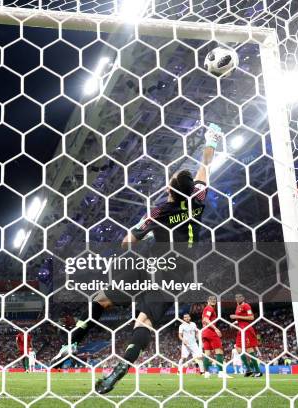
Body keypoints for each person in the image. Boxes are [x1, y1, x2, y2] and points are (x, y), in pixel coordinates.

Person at [51, 125, 224, 394]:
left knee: (101, 299)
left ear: (169, 188)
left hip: (150, 266)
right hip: (177, 273)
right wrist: (210, 141)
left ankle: (71, 343)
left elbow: (128, 241)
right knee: (143, 322)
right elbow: (205, 167)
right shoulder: (197, 201)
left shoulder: (158, 211)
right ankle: (120, 369)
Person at [230, 293, 262, 377]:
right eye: (236, 297)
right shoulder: (238, 307)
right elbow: (241, 318)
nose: (238, 298)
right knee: (238, 348)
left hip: (246, 329)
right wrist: (235, 322)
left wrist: (236, 316)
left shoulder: (246, 306)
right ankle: (248, 369)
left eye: (240, 296)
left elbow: (251, 317)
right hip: (241, 330)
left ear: (243, 298)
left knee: (249, 350)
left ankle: (257, 371)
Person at [201, 295, 231, 379]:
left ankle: (206, 373)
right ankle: (221, 372)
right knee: (219, 351)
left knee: (207, 354)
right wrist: (216, 329)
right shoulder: (209, 308)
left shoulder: (206, 309)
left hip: (204, 332)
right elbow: (206, 319)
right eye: (211, 299)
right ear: (207, 300)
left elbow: (204, 319)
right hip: (210, 331)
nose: (213, 300)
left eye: (214, 299)